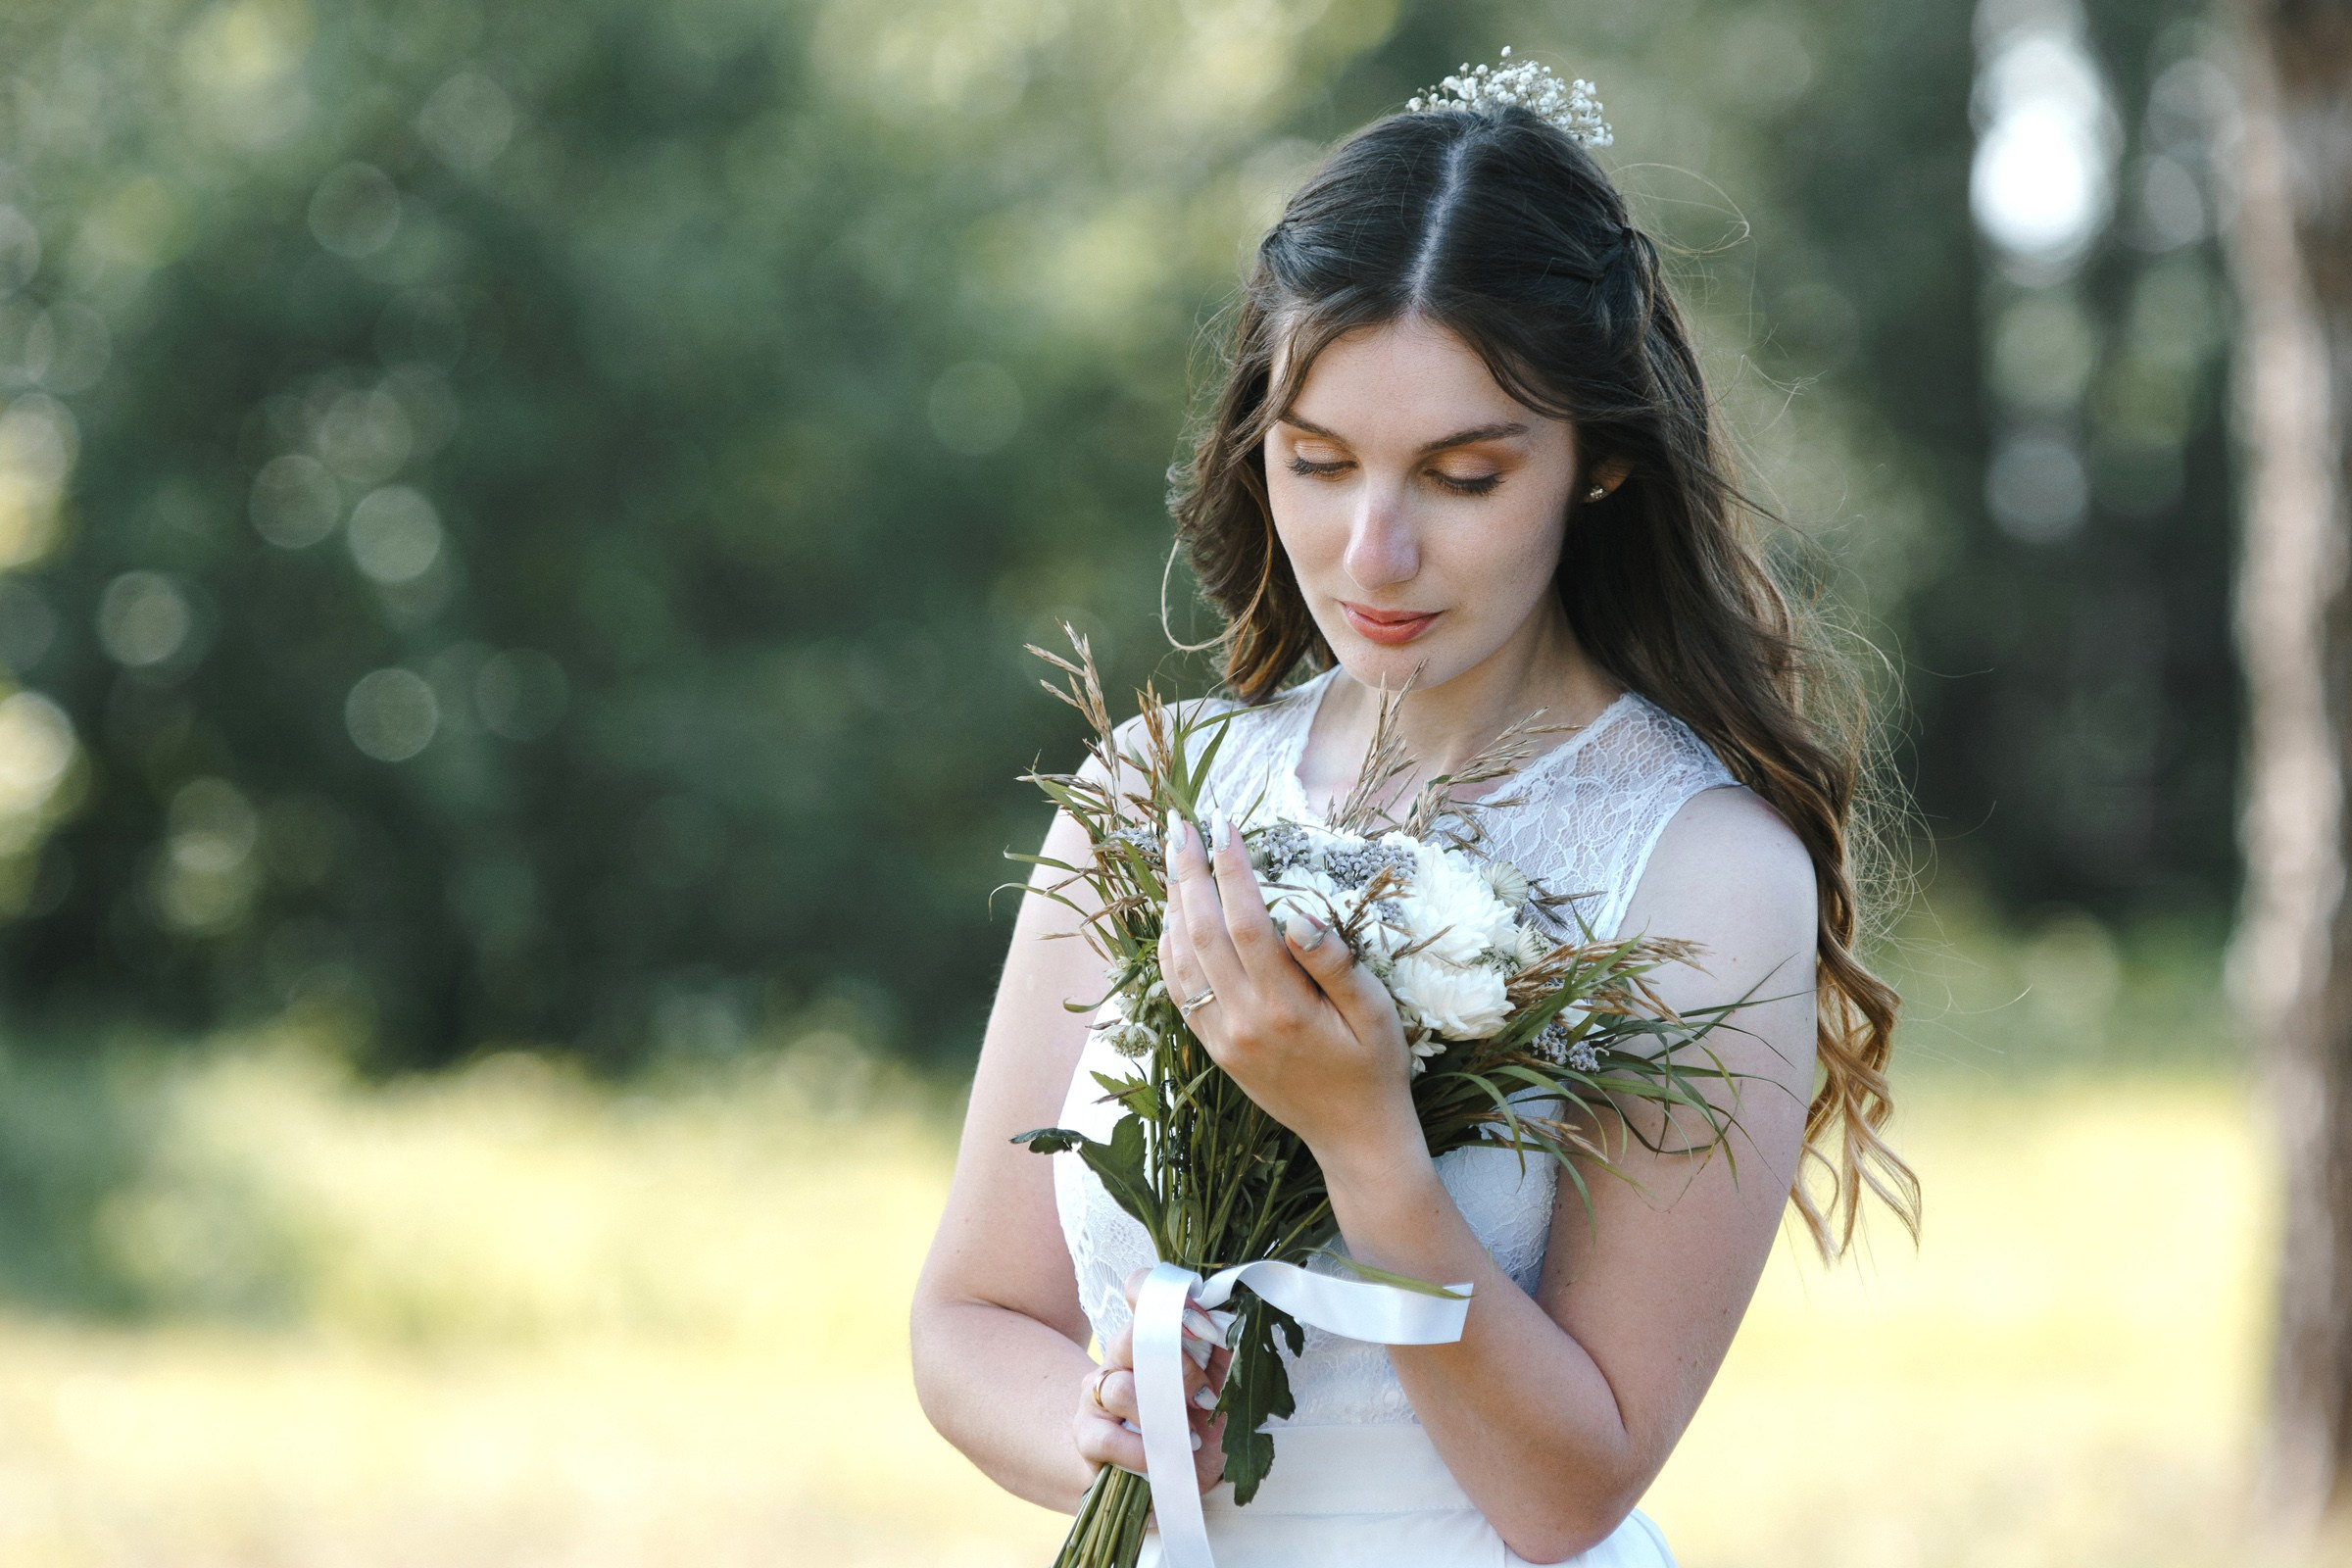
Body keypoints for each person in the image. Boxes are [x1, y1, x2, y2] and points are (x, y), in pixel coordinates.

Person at [910, 58, 1921, 1567]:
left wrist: (1367, 1145)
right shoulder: (1150, 798)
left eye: (1460, 477)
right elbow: (969, 1320)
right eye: (1317, 465)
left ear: (1601, 464)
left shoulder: (1704, 870)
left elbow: (1567, 1490)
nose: (1372, 552)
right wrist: (1102, 1427)